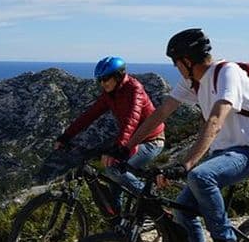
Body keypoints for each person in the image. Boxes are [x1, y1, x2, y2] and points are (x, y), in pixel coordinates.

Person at [121, 28, 249, 242]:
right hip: (223, 153)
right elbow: (161, 113)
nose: (175, 68)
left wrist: (188, 163)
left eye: (175, 62)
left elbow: (216, 119)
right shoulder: (193, 82)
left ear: (186, 61)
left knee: (200, 176)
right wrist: (126, 147)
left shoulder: (228, 73)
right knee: (183, 212)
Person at [55, 56, 166, 211]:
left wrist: (119, 148)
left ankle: (152, 204)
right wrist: (66, 136)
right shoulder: (110, 94)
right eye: (99, 79)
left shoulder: (134, 89)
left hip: (151, 140)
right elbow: (89, 115)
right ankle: (119, 226)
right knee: (115, 181)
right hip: (131, 141)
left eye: (106, 78)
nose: (102, 83)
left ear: (119, 76)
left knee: (113, 169)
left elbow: (131, 119)